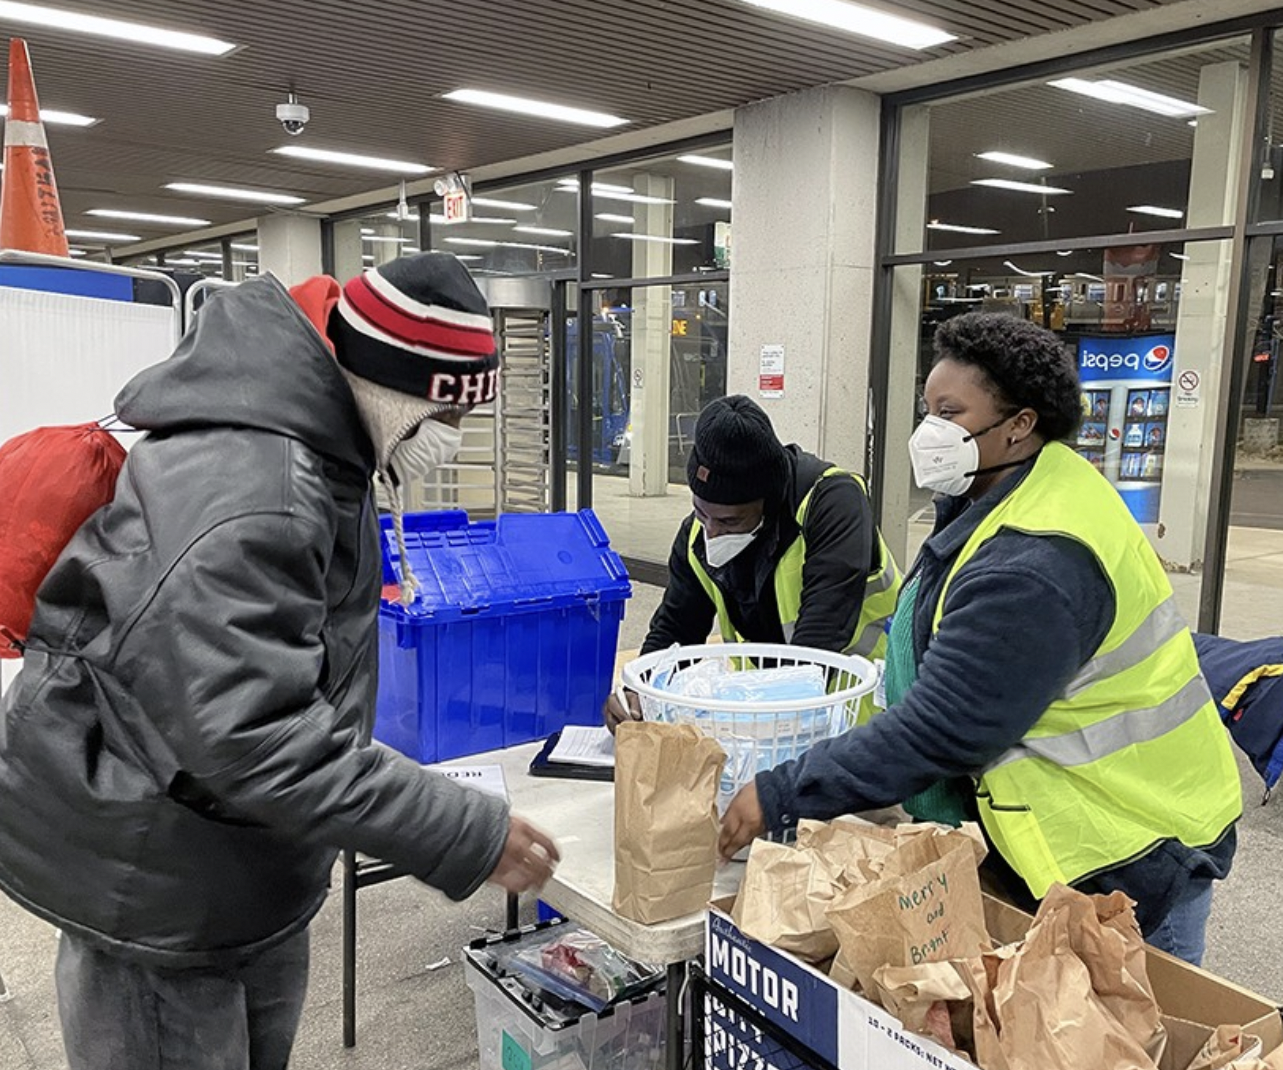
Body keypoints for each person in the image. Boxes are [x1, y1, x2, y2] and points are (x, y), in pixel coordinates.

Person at [0, 253, 560, 1070]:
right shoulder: (257, 486)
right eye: (446, 415)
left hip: (234, 860)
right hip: (158, 883)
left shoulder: (325, 449)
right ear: (393, 391)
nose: (451, 440)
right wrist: (459, 831)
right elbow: (251, 733)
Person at [718, 312, 1242, 966]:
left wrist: (781, 791)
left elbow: (944, 727)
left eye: (950, 413)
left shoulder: (1034, 560)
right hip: (1089, 832)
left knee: (1128, 1021)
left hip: (1127, 853)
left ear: (1019, 424)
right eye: (927, 409)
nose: (929, 431)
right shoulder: (1010, 490)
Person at [605, 394, 900, 731]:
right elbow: (675, 629)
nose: (712, 532)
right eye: (701, 512)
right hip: (771, 721)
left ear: (767, 501)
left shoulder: (832, 504)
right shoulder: (696, 538)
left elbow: (821, 635)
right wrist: (639, 691)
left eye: (729, 521)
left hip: (867, 712)